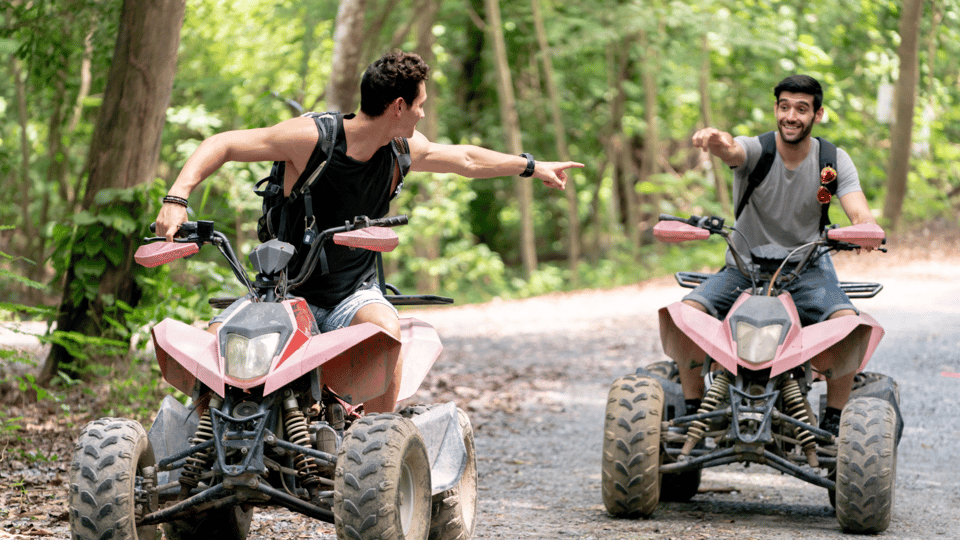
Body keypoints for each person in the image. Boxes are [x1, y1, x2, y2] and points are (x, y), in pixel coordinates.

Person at [154, 51, 583, 413]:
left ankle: (377, 444)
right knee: (213, 353)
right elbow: (224, 144)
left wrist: (532, 166)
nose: (423, 112)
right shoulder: (313, 139)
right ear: (399, 106)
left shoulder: (401, 150)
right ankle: (205, 454)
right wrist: (177, 198)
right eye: (421, 105)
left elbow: (467, 160)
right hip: (282, 291)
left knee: (386, 333)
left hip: (351, 294)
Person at [686, 74, 877, 435]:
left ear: (817, 115)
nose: (791, 116)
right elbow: (732, 149)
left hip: (806, 270)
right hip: (743, 268)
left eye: (802, 109)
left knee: (849, 324)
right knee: (686, 314)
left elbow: (859, 211)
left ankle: (835, 420)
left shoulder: (832, 160)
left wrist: (863, 229)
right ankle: (694, 408)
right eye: (785, 107)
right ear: (775, 109)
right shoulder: (757, 150)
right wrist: (717, 142)